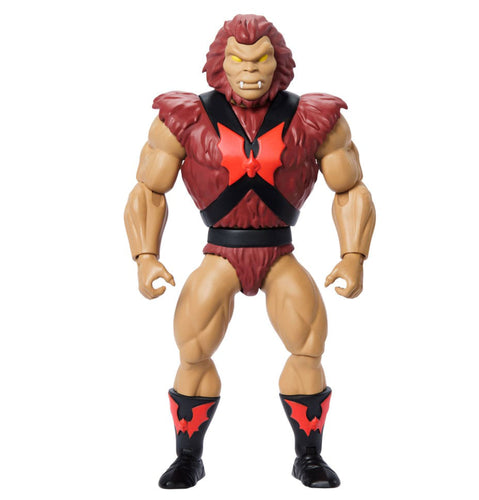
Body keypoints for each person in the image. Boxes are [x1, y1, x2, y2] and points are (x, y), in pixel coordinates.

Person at [125, 14, 375, 489]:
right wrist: (145, 255)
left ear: (279, 64)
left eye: (261, 59)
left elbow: (351, 190)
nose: (250, 70)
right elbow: (148, 191)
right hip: (221, 250)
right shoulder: (185, 118)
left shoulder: (314, 118)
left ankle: (309, 457)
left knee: (309, 346)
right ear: (220, 65)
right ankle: (187, 458)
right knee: (192, 350)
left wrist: (353, 255)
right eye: (239, 60)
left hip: (278, 250)